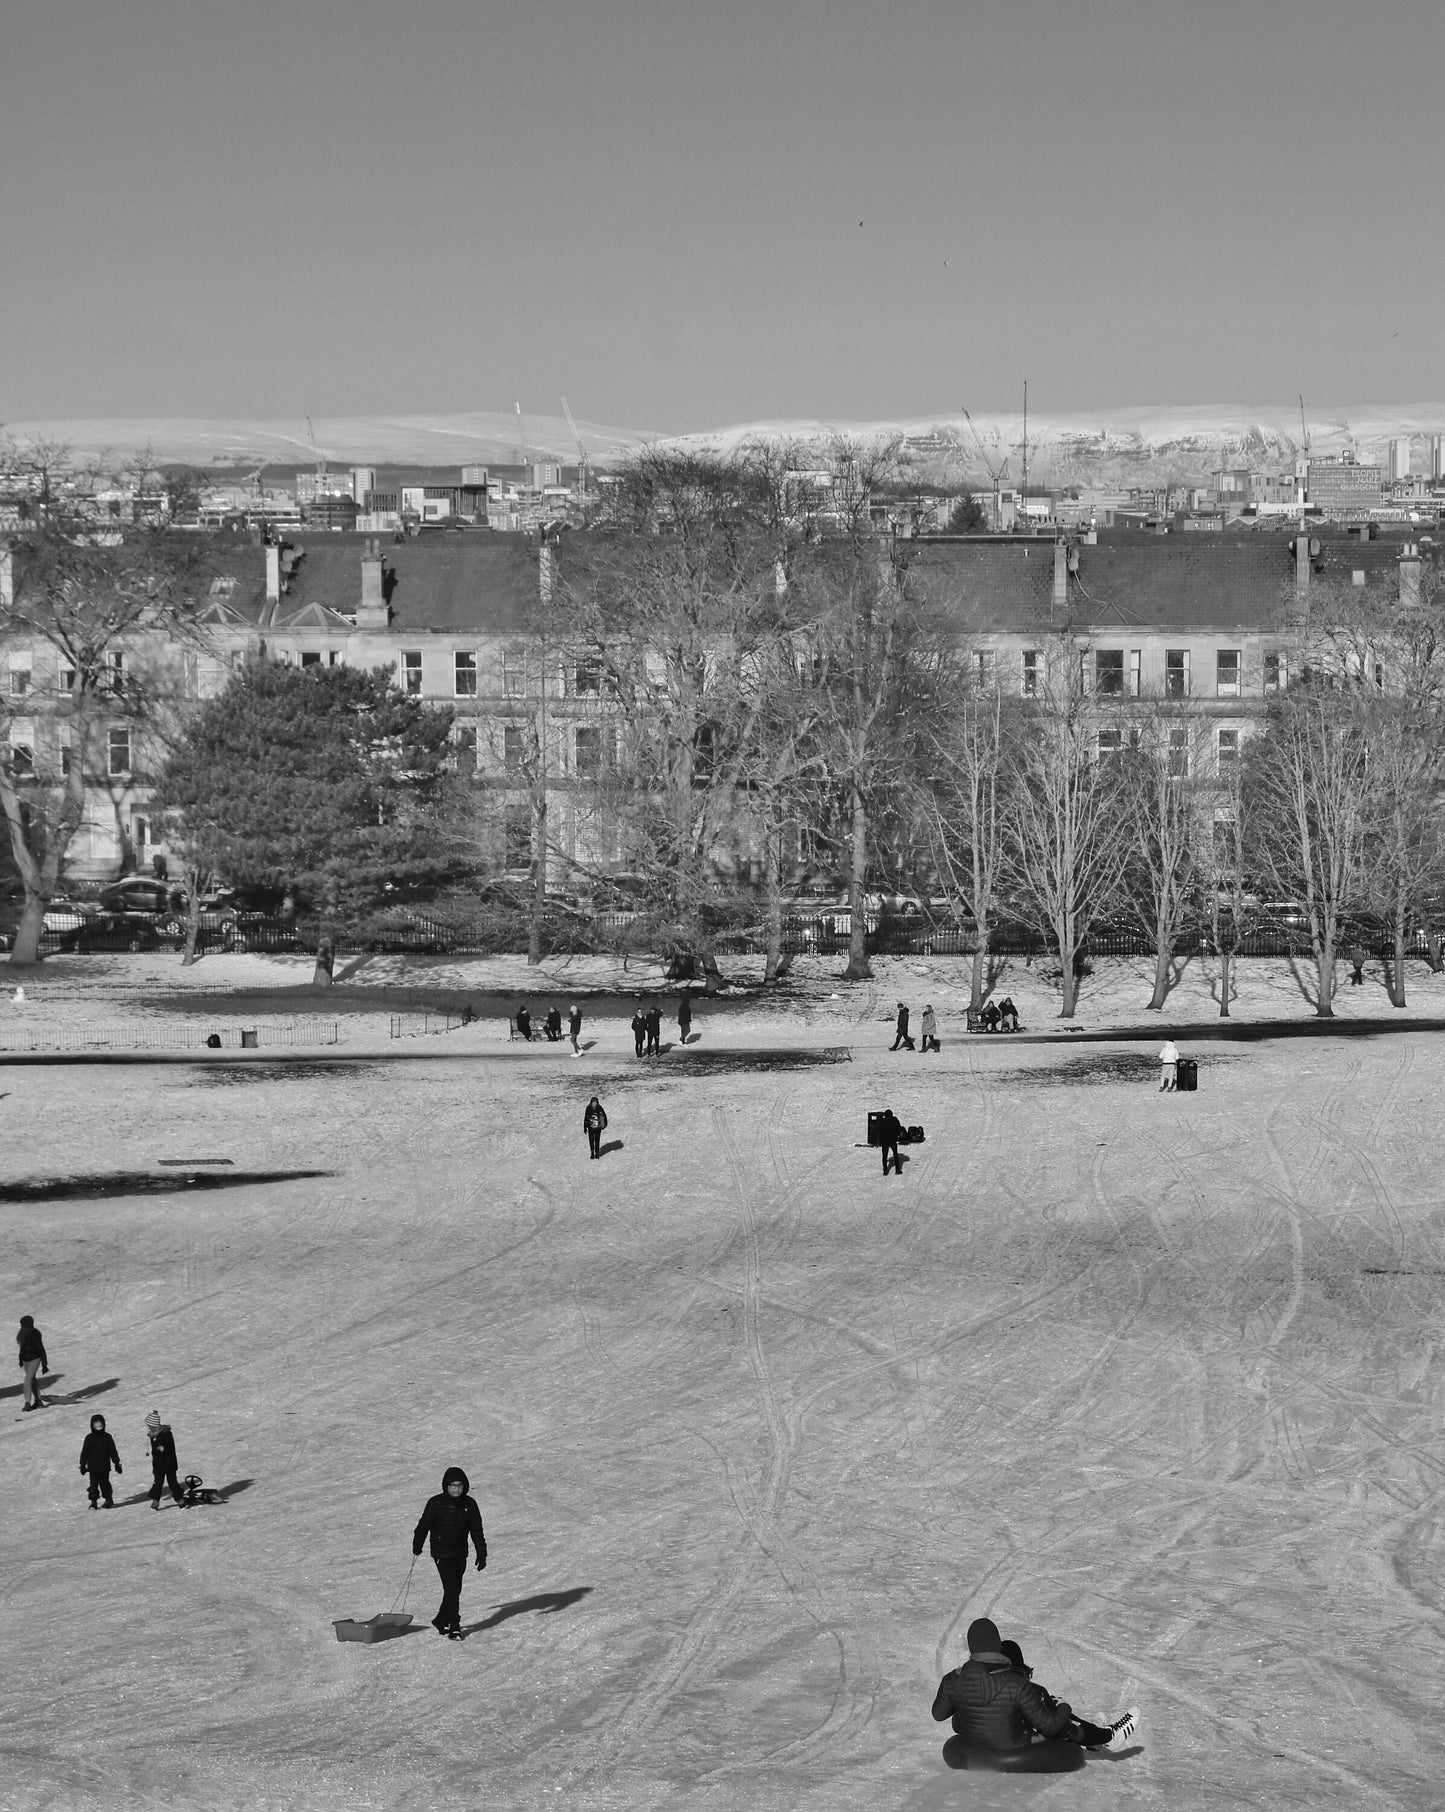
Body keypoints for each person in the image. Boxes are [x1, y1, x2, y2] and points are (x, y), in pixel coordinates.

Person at [932, 1618, 1139, 1768]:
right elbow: (1049, 1726)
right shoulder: (1015, 1684)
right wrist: (1064, 1706)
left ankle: (1096, 1737)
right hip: (1016, 1745)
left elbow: (939, 1714)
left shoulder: (952, 1680)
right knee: (1062, 1723)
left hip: (979, 1744)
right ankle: (1108, 1736)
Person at [412, 1464, 487, 1639]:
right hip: (441, 1552)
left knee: (455, 1589)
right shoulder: (436, 1503)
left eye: (460, 1485)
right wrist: (418, 1545)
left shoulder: (470, 1504)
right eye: (453, 1486)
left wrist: (481, 1552)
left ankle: (440, 1619)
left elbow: (476, 1530)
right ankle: (454, 1624)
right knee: (452, 1587)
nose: (456, 1489)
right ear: (446, 1486)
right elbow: (423, 1526)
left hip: (460, 1553)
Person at [80, 1413, 122, 1509]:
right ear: (92, 1426)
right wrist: (82, 1465)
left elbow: (112, 1451)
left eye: (100, 1426)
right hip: (93, 1467)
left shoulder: (107, 1437)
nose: (98, 1428)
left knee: (104, 1484)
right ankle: (93, 1502)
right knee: (93, 1486)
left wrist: (117, 1463)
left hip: (104, 1467)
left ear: (104, 1426)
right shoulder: (89, 1438)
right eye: (96, 1427)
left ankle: (108, 1499)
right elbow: (85, 1452)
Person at [145, 1410, 184, 1509]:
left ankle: (180, 1499)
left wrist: (163, 1448)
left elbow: (170, 1447)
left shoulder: (166, 1434)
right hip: (158, 1464)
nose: (148, 1428)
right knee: (157, 1483)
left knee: (172, 1482)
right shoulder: (153, 1436)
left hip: (169, 1463)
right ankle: (155, 1501)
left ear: (155, 1425)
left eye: (150, 1426)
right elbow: (155, 1450)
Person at [16, 1314, 48, 1411]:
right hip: (26, 1360)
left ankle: (27, 1402)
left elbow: (40, 1348)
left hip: (35, 1359)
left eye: (24, 1325)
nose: (23, 1327)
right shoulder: (22, 1334)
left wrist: (44, 1363)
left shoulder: (35, 1334)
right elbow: (22, 1349)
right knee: (32, 1380)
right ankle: (38, 1401)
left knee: (27, 1380)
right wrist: (21, 1359)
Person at [879, 1108, 903, 1177]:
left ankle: (885, 1171)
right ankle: (897, 1170)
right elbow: (899, 1129)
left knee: (884, 1156)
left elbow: (879, 1130)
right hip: (893, 1139)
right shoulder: (894, 1120)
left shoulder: (882, 1121)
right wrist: (896, 1135)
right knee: (895, 1154)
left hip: (884, 1140)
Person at [583, 1095, 608, 1160]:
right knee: (591, 1140)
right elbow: (586, 1118)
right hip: (590, 1127)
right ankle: (592, 1152)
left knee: (597, 1140)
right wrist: (585, 1127)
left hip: (598, 1127)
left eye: (596, 1102)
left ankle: (596, 1153)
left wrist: (605, 1124)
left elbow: (604, 1116)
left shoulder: (599, 1108)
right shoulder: (588, 1108)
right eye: (593, 1102)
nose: (594, 1104)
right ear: (591, 1103)